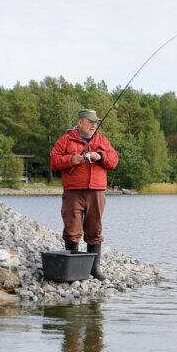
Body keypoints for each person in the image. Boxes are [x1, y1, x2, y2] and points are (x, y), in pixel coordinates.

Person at [49, 109, 119, 280]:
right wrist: (70, 160)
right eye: (91, 122)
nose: (94, 125)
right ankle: (72, 270)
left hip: (96, 192)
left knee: (94, 229)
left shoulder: (102, 140)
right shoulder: (65, 139)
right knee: (72, 229)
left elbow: (114, 160)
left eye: (96, 123)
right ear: (80, 122)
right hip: (73, 192)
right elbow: (53, 161)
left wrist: (100, 156)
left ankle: (94, 269)